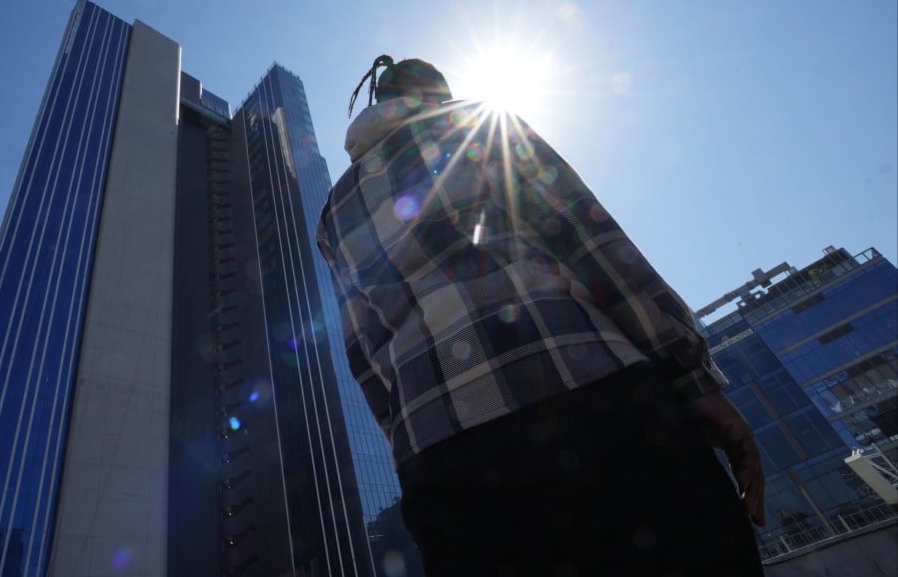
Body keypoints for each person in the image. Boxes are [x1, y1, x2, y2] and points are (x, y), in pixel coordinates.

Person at [317, 55, 765, 576]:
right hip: (594, 403)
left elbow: (368, 357)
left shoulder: (333, 213)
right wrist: (694, 380)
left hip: (446, 462)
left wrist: (415, 453)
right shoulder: (481, 126)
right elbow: (595, 247)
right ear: (436, 94)